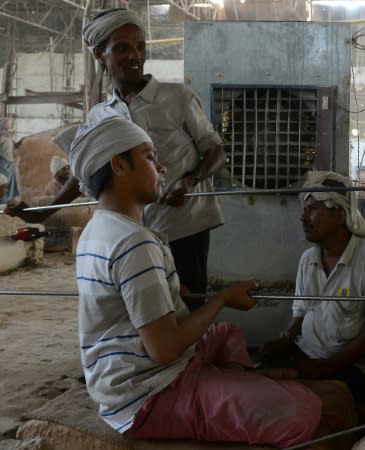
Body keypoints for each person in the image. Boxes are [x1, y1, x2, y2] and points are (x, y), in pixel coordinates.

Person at [70, 115, 321, 446]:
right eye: (148, 156)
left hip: (123, 380)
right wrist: (222, 300)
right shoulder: (133, 242)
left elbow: (126, 304)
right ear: (118, 165)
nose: (161, 167)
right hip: (148, 394)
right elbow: (164, 349)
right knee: (302, 409)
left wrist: (172, 293)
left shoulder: (97, 230)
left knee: (226, 333)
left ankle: (232, 382)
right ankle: (225, 388)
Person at [5, 8, 225, 310]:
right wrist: (40, 213)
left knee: (188, 303)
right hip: (130, 232)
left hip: (183, 225)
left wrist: (191, 180)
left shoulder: (178, 98)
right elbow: (85, 177)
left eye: (140, 47)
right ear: (99, 54)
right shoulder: (100, 116)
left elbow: (216, 150)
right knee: (143, 309)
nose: (135, 56)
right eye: (122, 48)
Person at [263, 172, 365, 403]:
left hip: (354, 368)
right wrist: (284, 340)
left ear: (338, 215)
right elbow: (302, 311)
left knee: (307, 401)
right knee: (258, 376)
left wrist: (325, 369)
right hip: (309, 356)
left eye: (312, 209)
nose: (302, 218)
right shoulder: (308, 259)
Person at [0, 118, 19, 203]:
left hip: (9, 162)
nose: (10, 124)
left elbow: (12, 145)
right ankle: (2, 201)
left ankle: (8, 200)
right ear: (4, 124)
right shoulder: (2, 135)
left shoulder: (8, 134)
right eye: (9, 123)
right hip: (3, 162)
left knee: (9, 184)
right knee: (3, 183)